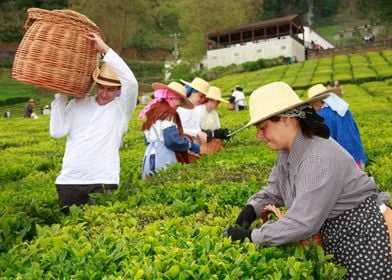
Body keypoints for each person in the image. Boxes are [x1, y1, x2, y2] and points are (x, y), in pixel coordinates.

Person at [225, 82, 392, 279]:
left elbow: (302, 222)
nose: (259, 136)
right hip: (341, 236)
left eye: (263, 128)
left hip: (364, 237)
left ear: (286, 119)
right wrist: (252, 209)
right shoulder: (288, 152)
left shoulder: (317, 157)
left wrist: (252, 237)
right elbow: (274, 190)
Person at [50, 32, 138, 213]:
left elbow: (131, 82)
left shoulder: (121, 108)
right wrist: (61, 95)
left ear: (118, 90)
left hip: (103, 180)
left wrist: (105, 49)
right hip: (70, 180)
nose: (105, 94)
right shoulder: (78, 103)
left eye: (111, 89)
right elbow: (57, 131)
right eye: (101, 88)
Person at [138, 82, 200, 178]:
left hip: (150, 154)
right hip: (163, 155)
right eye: (180, 101)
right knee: (164, 180)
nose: (179, 105)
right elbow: (171, 140)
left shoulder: (154, 110)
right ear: (173, 98)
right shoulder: (168, 113)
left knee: (151, 184)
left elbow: (147, 139)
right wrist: (190, 145)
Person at [307, 84, 367, 169]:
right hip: (357, 157)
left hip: (342, 164)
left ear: (317, 102)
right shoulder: (344, 110)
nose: (312, 108)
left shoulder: (322, 116)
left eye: (312, 104)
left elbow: (324, 143)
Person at [177, 77, 210, 143]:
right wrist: (196, 133)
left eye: (204, 97)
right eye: (200, 96)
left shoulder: (193, 108)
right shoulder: (185, 108)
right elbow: (177, 129)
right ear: (192, 92)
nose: (202, 100)